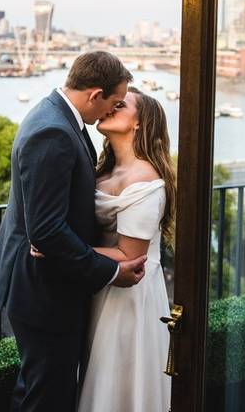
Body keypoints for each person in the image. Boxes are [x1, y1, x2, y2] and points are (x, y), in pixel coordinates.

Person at [0, 51, 147, 412]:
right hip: (42, 289)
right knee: (47, 397)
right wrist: (111, 271)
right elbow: (46, 231)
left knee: (38, 389)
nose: (111, 111)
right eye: (113, 102)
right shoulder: (53, 131)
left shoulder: (58, 118)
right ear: (94, 95)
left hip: (42, 281)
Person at [74, 86, 176, 412]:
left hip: (129, 294)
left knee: (117, 384)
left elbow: (130, 257)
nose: (110, 107)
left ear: (139, 123)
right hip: (98, 284)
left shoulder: (145, 179)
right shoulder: (104, 169)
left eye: (121, 105)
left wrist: (59, 249)